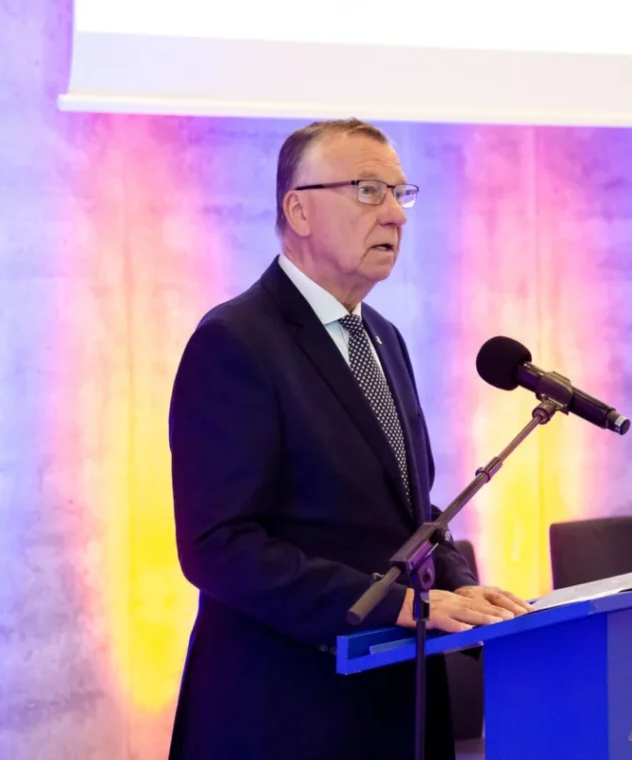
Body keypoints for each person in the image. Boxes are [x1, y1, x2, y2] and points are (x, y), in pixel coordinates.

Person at [166, 118, 532, 760]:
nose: (395, 214)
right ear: (298, 210)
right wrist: (394, 605)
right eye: (368, 191)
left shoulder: (384, 338)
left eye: (400, 193)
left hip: (399, 705)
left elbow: (410, 512)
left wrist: (454, 584)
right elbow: (218, 547)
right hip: (288, 713)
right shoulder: (235, 342)